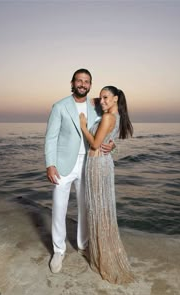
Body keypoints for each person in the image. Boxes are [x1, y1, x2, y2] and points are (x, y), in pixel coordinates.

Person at [44, 69, 113, 273]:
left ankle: (83, 245)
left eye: (86, 81)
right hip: (64, 164)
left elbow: (106, 131)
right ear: (72, 83)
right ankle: (58, 250)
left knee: (86, 206)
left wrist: (113, 145)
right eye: (79, 80)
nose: (82, 84)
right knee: (59, 207)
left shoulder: (97, 107)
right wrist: (50, 163)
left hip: (90, 163)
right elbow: (51, 137)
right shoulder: (60, 106)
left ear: (90, 85)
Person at [79, 86, 134, 284]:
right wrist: (96, 98)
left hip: (97, 164)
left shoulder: (109, 117)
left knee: (98, 208)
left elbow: (94, 144)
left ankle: (102, 255)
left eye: (106, 97)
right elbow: (107, 139)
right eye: (100, 97)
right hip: (104, 163)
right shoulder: (116, 115)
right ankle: (101, 250)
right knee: (101, 208)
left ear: (116, 98)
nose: (101, 101)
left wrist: (84, 126)